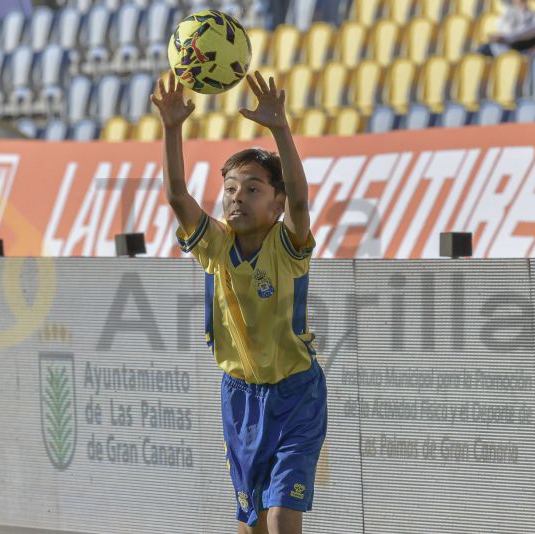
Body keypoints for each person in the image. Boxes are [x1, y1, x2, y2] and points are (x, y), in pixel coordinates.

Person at [151, 70, 328, 534]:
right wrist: (172, 128)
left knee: (282, 514)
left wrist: (280, 129)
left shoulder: (286, 246)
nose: (238, 198)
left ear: (277, 202)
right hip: (240, 397)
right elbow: (175, 194)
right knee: (251, 522)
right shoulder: (214, 245)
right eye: (230, 189)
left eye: (253, 189)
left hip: (296, 394)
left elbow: (303, 204)